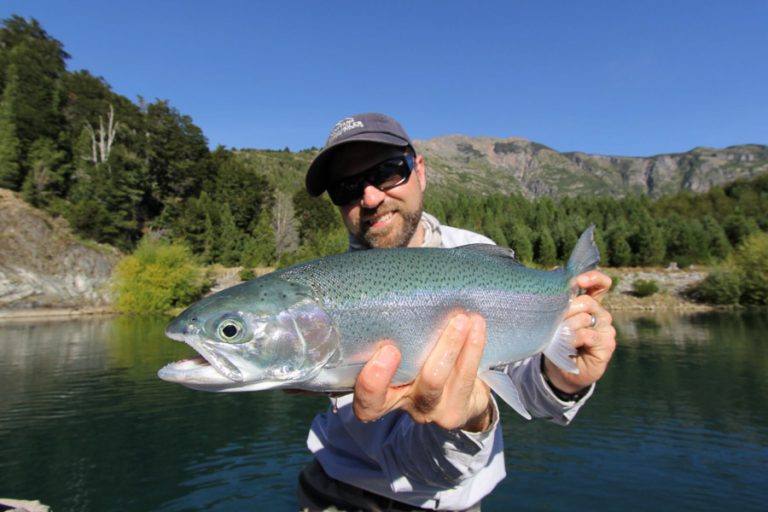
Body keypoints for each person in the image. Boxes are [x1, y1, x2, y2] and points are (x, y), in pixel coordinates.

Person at [298, 113, 616, 511]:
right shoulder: (327, 299)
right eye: (346, 188)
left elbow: (524, 388)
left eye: (387, 172)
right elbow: (406, 459)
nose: (371, 198)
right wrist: (468, 419)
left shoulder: (480, 254)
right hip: (335, 494)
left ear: (420, 171)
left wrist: (564, 378)